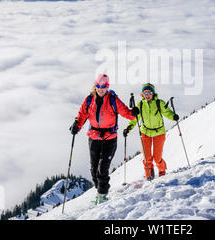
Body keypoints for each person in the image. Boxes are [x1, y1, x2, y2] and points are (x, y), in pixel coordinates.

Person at [69, 74, 139, 204]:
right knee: (94, 169)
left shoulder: (113, 100)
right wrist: (76, 125)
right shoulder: (89, 100)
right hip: (94, 137)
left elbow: (126, 112)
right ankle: (99, 190)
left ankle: (102, 196)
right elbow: (82, 114)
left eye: (104, 86)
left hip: (109, 138)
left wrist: (133, 113)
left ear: (107, 87)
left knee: (102, 168)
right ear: (95, 86)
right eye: (98, 86)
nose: (101, 89)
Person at [123, 83, 179, 181]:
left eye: (149, 92)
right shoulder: (140, 105)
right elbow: (135, 119)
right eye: (145, 93)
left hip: (159, 132)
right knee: (147, 157)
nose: (147, 95)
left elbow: (167, 113)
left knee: (157, 158)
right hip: (145, 132)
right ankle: (149, 175)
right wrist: (128, 128)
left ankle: (162, 170)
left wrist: (173, 117)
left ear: (153, 93)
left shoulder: (159, 103)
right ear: (142, 95)